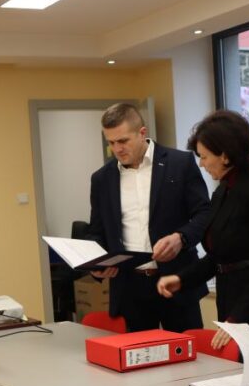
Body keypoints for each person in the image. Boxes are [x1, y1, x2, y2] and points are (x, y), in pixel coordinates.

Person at [156, 110, 249, 349]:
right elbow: (218, 256)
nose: (201, 164)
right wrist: (181, 279)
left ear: (224, 155)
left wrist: (238, 317)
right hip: (229, 297)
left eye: (204, 157)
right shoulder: (222, 191)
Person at [87, 103, 212, 332]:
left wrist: (181, 238)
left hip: (177, 281)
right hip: (130, 287)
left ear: (142, 133)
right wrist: (96, 265)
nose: (117, 149)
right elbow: (97, 232)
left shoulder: (180, 164)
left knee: (187, 352)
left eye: (123, 141)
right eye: (111, 143)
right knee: (138, 353)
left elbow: (205, 213)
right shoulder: (102, 179)